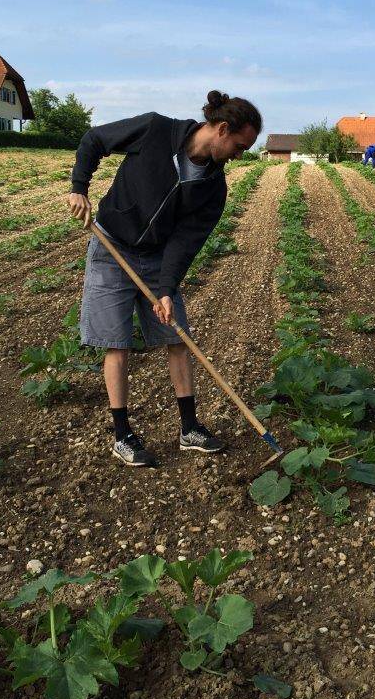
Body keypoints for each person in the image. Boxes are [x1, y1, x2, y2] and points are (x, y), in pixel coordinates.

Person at [68, 91, 262, 466]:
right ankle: (122, 434)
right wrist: (80, 187)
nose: (240, 155)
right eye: (239, 146)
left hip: (157, 259)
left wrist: (167, 290)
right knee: (116, 344)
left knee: (177, 338)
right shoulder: (155, 130)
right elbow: (95, 139)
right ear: (222, 129)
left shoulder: (213, 188)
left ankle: (189, 428)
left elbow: (185, 242)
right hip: (111, 247)